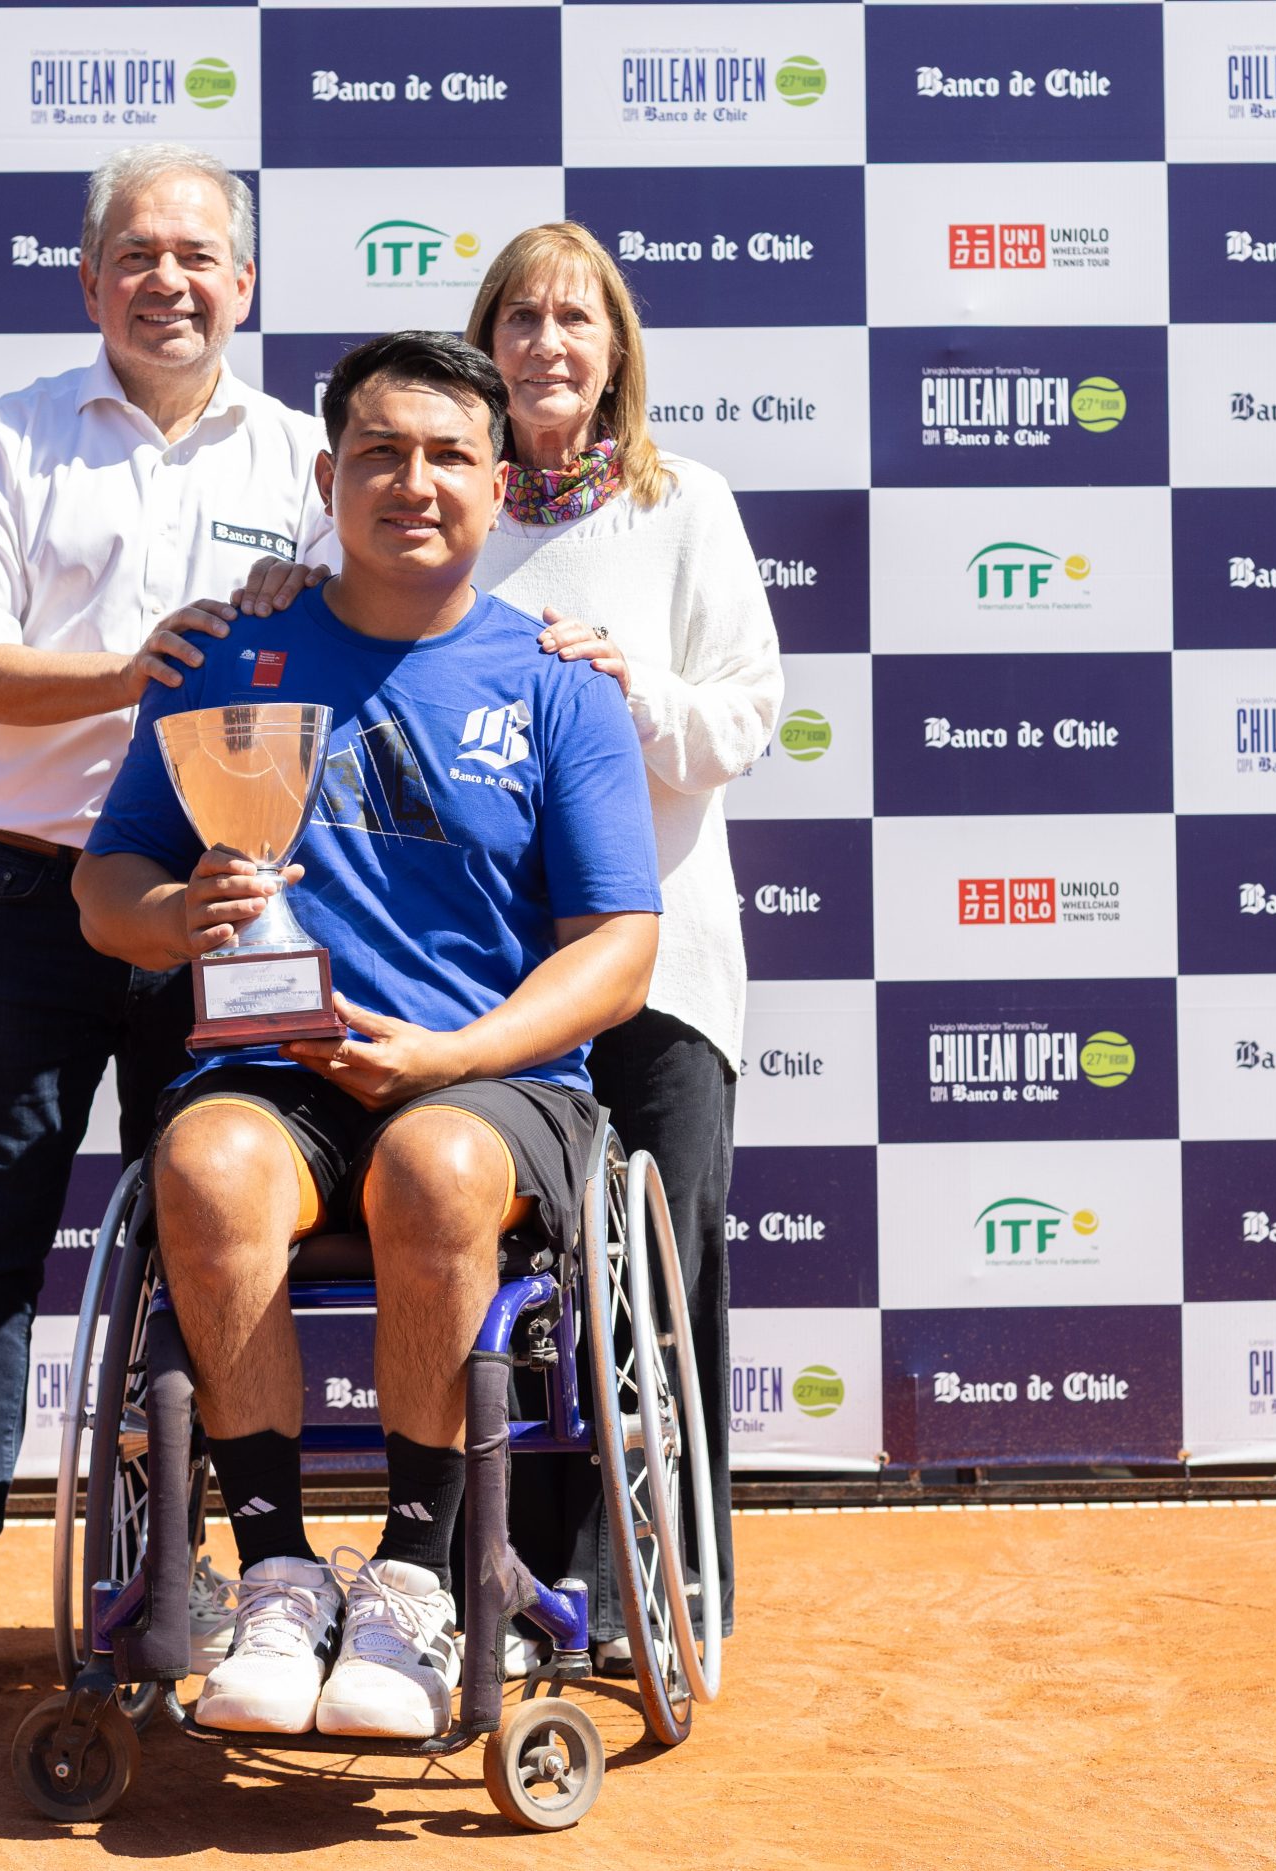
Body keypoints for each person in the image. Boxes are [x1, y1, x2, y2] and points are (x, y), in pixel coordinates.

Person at [74, 331, 662, 1739]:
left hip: (495, 1082)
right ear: (329, 476)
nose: (415, 483)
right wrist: (180, 913)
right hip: (272, 1072)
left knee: (438, 1170)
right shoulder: (237, 655)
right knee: (204, 1167)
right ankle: (276, 1571)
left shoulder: (560, 681)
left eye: (450, 455)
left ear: (499, 482)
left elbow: (621, 949)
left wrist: (452, 1059)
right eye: (381, 455)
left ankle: (411, 1578)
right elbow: (104, 889)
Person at [242, 223, 780, 1652]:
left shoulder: (686, 506)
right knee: (523, 1295)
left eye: (579, 318)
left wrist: (629, 689)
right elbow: (314, 625)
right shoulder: (435, 492)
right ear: (488, 347)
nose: (551, 342)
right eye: (523, 318)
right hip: (468, 967)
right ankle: (515, 1582)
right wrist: (266, 593)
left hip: (643, 961)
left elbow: (746, 719)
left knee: (655, 1288)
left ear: (618, 352)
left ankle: (660, 1588)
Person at [0, 143, 335, 1724]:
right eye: (137, 255)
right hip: (30, 894)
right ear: (90, 283)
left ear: (246, 284)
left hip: (217, 905)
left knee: (212, 1249)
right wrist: (129, 670)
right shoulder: (4, 444)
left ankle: (185, 1568)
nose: (170, 280)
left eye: (199, 255)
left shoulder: (304, 461)